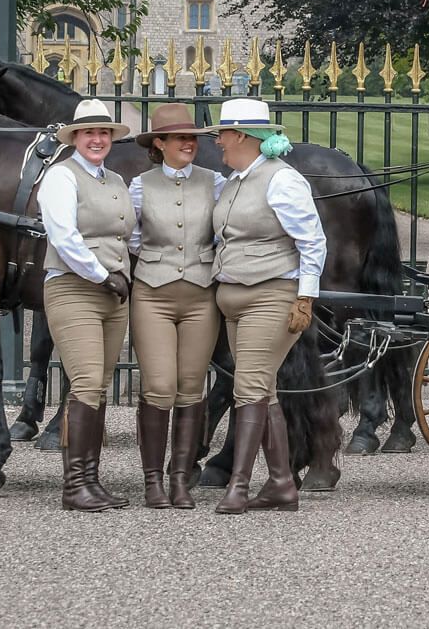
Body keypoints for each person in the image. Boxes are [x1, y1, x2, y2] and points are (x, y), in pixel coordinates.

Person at [202, 97, 326, 514]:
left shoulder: (281, 180)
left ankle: (238, 485)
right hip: (235, 298)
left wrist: (305, 296)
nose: (217, 142)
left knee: (249, 389)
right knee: (264, 390)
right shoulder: (236, 180)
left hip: (271, 297)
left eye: (222, 134)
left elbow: (312, 241)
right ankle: (281, 485)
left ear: (240, 136)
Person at [36, 98, 136, 512]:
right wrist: (102, 275)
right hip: (75, 288)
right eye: (89, 133)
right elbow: (63, 235)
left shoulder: (114, 180)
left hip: (113, 291)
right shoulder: (61, 176)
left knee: (101, 382)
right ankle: (74, 485)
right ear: (75, 137)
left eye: (103, 133)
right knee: (87, 382)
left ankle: (91, 481)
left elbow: (127, 236)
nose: (97, 139)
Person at [128, 103, 224, 509]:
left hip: (202, 296)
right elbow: (130, 236)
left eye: (193, 138)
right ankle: (152, 481)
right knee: (159, 386)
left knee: (190, 388)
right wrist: (156, 259)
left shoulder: (215, 182)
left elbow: (225, 230)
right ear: (159, 144)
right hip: (152, 295)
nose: (189, 144)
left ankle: (181, 478)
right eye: (181, 138)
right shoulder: (139, 186)